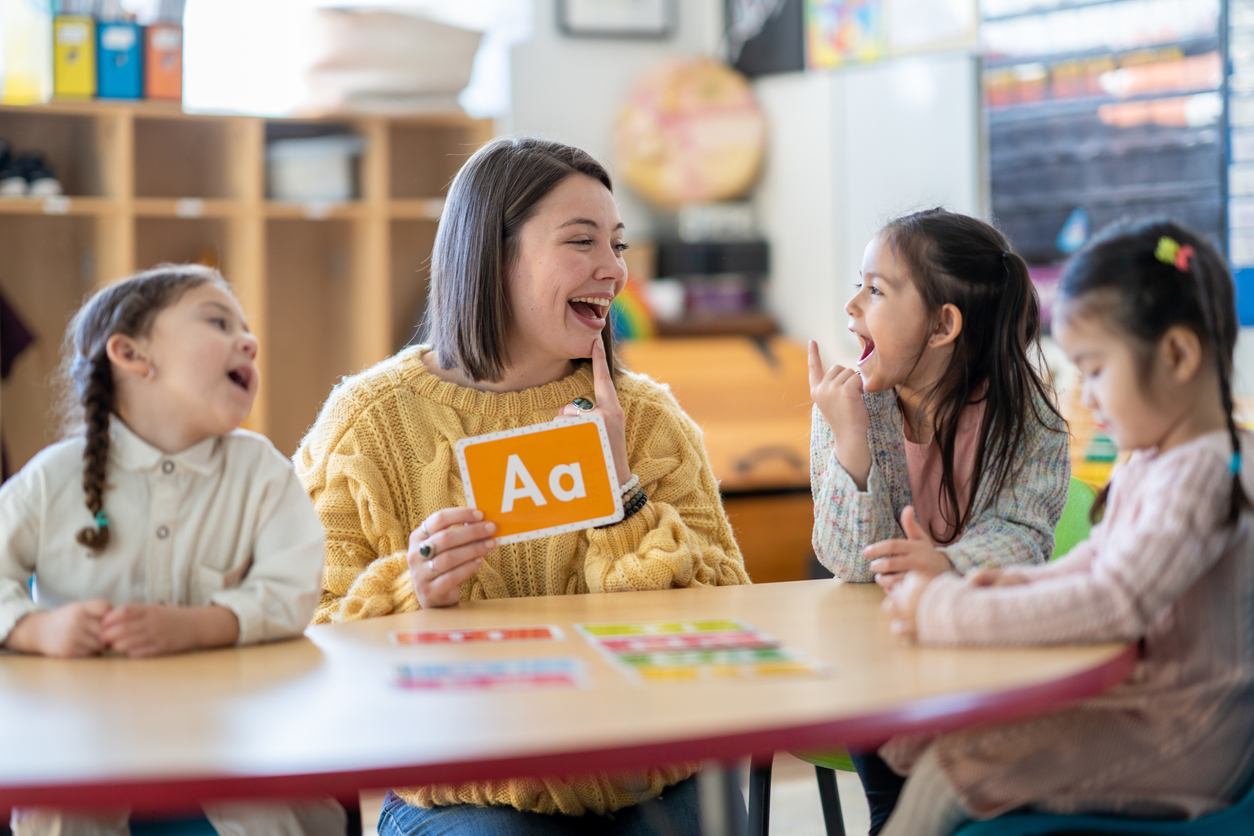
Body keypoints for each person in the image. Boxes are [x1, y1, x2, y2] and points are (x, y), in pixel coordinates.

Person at [296, 136, 750, 836]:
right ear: (491, 255)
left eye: (618, 246)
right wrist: (414, 587)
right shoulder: (367, 422)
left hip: (647, 777)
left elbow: (727, 627)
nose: (613, 271)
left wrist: (621, 493)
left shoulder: (649, 417)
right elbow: (308, 642)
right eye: (581, 243)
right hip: (461, 789)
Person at [881, 219, 1254, 836]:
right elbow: (1092, 565)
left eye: (1097, 369)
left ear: (1179, 356)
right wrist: (992, 590)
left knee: (952, 766)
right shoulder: (1162, 460)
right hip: (1155, 710)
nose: (1084, 394)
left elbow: (1115, 600)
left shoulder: (1201, 474)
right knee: (935, 735)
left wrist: (942, 611)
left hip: (1187, 734)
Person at [0, 265, 344, 836]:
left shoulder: (260, 470)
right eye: (217, 321)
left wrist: (201, 626)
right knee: (62, 814)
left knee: (278, 816)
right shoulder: (53, 479)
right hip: (84, 733)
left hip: (235, 733)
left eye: (246, 330)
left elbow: (296, 587)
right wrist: (38, 631)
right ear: (132, 355)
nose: (249, 341)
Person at [807, 209, 1070, 833]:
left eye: (875, 290)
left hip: (983, 649)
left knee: (980, 803)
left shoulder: (1026, 414)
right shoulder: (850, 408)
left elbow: (1026, 536)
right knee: (895, 810)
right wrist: (851, 446)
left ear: (943, 325)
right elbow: (847, 563)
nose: (852, 306)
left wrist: (946, 563)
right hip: (880, 656)